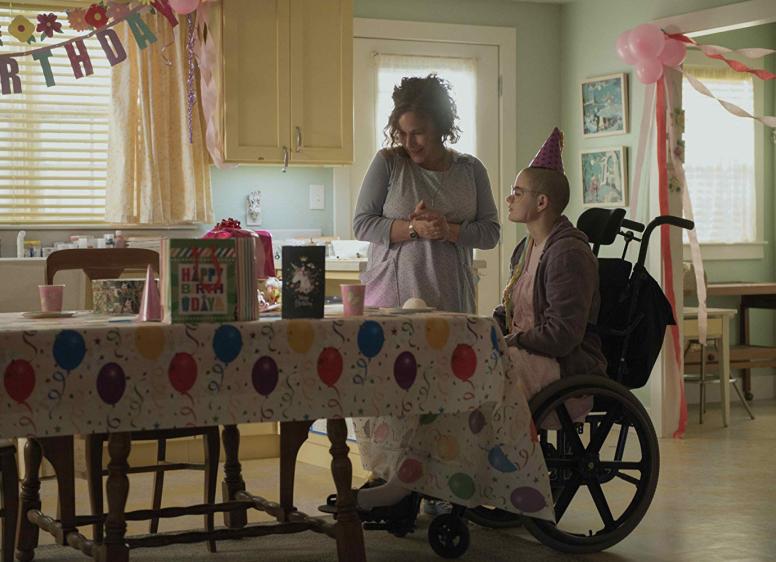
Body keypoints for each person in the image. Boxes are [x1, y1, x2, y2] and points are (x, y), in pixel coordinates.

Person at [352, 74, 500, 314]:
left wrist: (448, 230)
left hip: (452, 298)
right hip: (391, 302)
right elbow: (362, 225)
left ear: (440, 127)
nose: (409, 142)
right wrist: (414, 229)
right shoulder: (388, 163)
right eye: (402, 133)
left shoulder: (471, 170)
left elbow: (491, 233)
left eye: (418, 133)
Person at [494, 127, 607, 404]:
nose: (509, 199)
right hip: (526, 352)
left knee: (491, 374)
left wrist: (513, 341)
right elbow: (512, 310)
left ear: (542, 202)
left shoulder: (568, 254)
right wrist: (486, 329)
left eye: (517, 193)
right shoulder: (525, 248)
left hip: (563, 364)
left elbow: (562, 335)